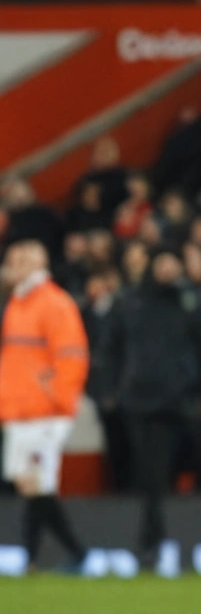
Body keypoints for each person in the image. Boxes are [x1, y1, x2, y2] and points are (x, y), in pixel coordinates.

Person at [97, 248, 201, 564]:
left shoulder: (191, 303)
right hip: (138, 401)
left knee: (174, 472)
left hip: (179, 402)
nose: (167, 269)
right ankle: (154, 541)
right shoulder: (130, 302)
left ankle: (162, 540)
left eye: (172, 262)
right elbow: (109, 349)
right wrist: (109, 391)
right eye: (162, 262)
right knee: (149, 473)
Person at [0, 239, 89, 571]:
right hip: (20, 410)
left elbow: (72, 356)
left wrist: (57, 399)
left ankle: (49, 556)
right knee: (30, 484)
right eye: (11, 260)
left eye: (21, 261)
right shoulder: (16, 304)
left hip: (44, 412)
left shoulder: (54, 303)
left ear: (39, 264)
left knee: (36, 483)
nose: (13, 266)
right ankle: (51, 557)